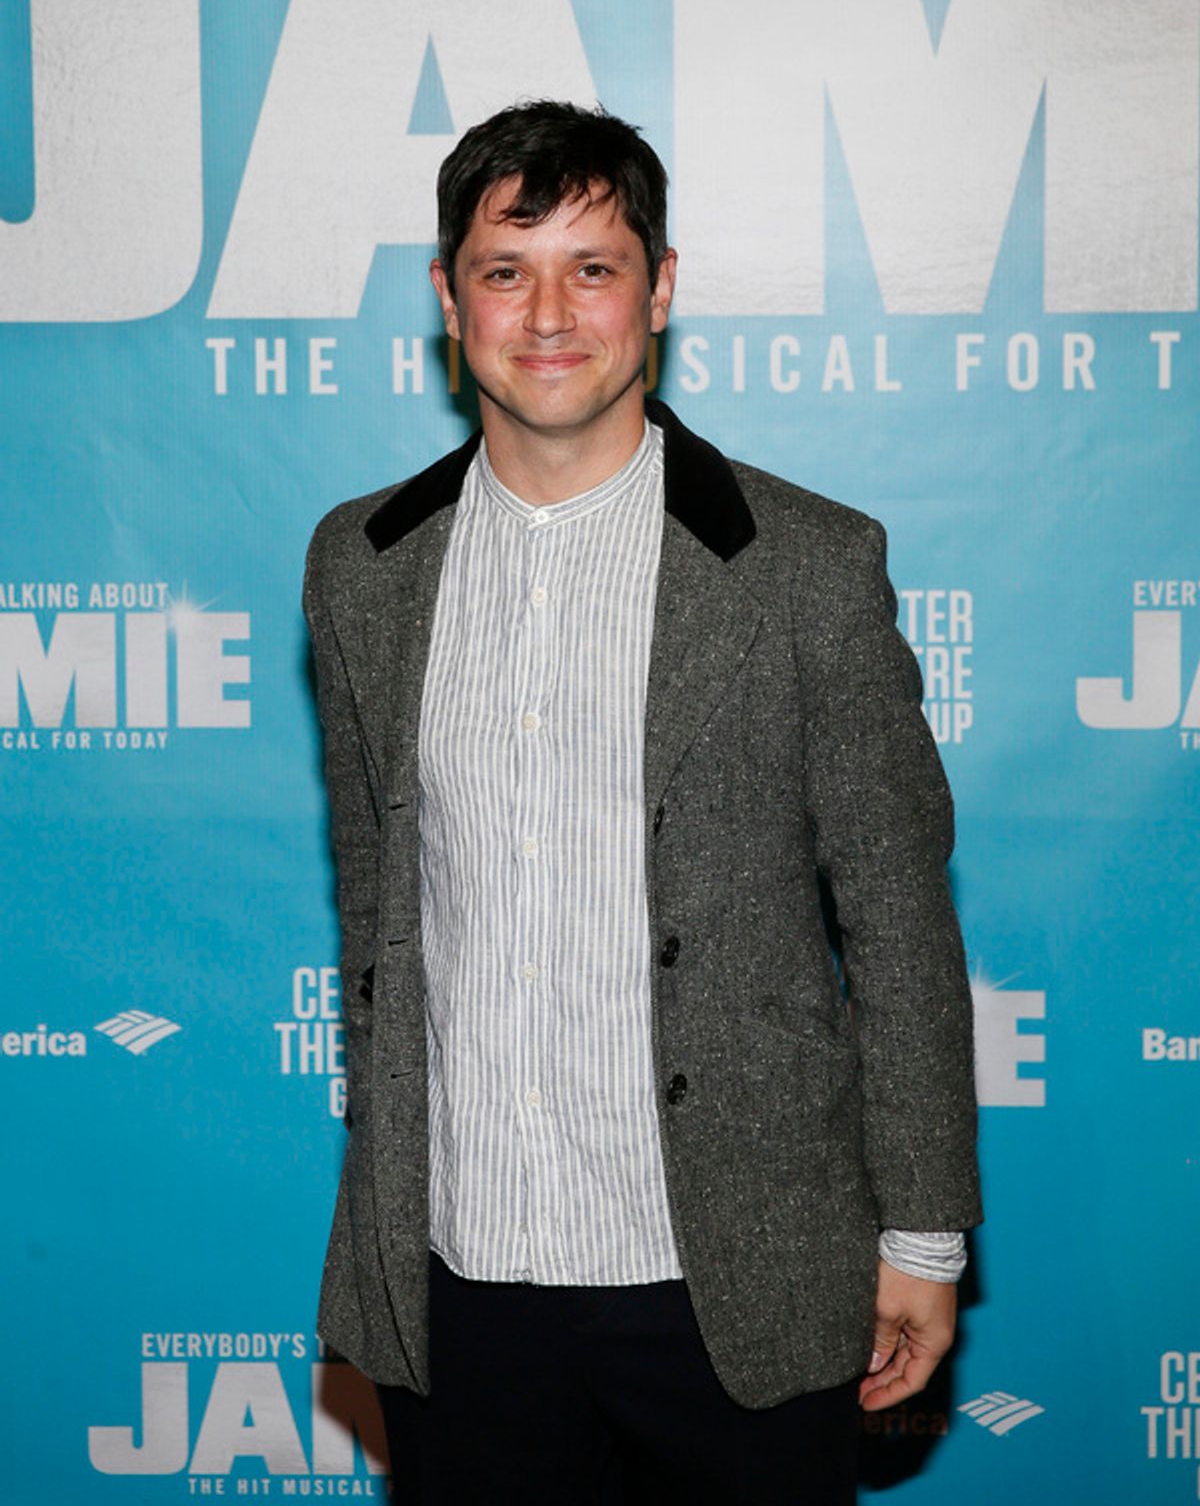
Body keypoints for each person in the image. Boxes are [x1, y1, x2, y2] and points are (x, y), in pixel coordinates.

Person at [303, 101, 982, 1504]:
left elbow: (903, 926)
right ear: (449, 297)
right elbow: (379, 913)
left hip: (737, 1279)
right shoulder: (362, 566)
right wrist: (380, 1219)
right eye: (506, 269)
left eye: (593, 268)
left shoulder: (806, 567)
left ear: (660, 288)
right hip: (460, 1281)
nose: (549, 313)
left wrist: (922, 1236)